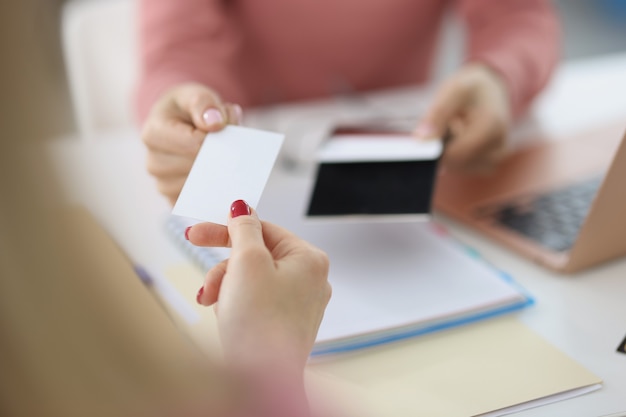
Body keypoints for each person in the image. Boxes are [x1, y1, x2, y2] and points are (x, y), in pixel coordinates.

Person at [136, 0, 560, 205]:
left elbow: (518, 16)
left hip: (408, 178)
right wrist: (182, 106)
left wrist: (496, 76)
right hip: (258, 184)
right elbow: (178, 47)